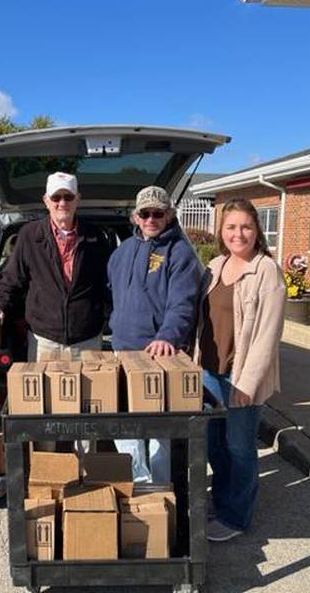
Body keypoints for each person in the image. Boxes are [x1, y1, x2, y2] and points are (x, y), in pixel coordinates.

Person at [197, 198, 285, 541]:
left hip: (240, 374)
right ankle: (221, 501)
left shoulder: (266, 270)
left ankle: (236, 517)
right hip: (208, 370)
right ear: (221, 231)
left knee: (240, 447)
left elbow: (269, 332)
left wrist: (248, 382)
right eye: (231, 227)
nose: (238, 234)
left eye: (245, 227)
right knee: (215, 444)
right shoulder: (216, 265)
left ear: (257, 231)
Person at [108, 186, 203, 484]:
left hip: (158, 355)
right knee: (125, 424)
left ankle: (160, 493)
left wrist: (167, 337)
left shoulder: (180, 253)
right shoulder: (121, 252)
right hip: (121, 351)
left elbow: (182, 303)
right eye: (145, 213)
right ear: (135, 216)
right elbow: (110, 292)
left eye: (158, 213)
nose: (151, 219)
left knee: (159, 430)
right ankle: (137, 487)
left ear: (170, 215)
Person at [0, 172, 110, 361]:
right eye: (56, 197)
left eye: (68, 197)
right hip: (44, 341)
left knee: (92, 393)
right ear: (46, 200)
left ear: (77, 199)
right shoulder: (29, 235)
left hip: (87, 340)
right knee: (44, 392)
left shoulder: (95, 236)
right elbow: (11, 279)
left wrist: (109, 317)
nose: (62, 203)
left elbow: (108, 283)